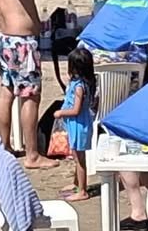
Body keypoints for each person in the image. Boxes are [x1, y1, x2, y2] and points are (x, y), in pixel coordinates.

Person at [0, 0, 60, 169]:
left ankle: (6, 145)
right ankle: (32, 155)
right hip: (22, 42)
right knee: (30, 97)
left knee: (7, 92)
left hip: (4, 38)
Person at [53, 47, 96, 202]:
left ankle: (82, 190)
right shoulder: (79, 82)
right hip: (75, 124)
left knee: (80, 159)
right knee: (76, 156)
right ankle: (76, 183)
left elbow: (76, 110)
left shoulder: (79, 87)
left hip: (79, 124)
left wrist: (60, 113)